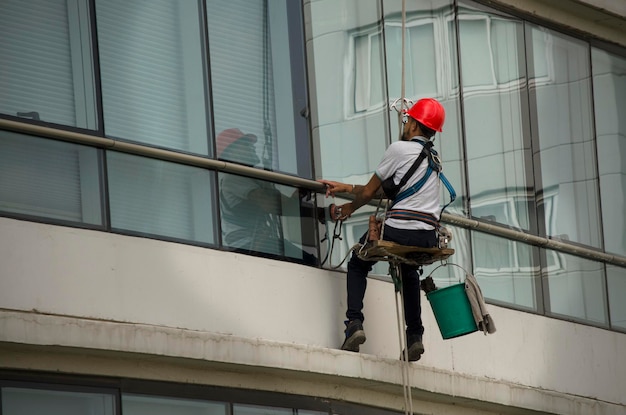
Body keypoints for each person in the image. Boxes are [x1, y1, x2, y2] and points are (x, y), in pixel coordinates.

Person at [318, 98, 446, 361]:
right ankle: (415, 336)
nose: (405, 124)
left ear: (412, 124)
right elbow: (387, 190)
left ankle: (354, 323)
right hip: (427, 236)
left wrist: (348, 209)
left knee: (358, 262)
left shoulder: (399, 149)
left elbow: (369, 192)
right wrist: (344, 187)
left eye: (407, 120)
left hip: (400, 230)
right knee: (408, 267)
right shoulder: (433, 158)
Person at [217, 128, 318, 265]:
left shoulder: (252, 178)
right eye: (245, 144)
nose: (252, 147)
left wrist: (297, 197)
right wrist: (320, 213)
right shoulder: (234, 178)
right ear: (232, 153)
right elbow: (274, 205)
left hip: (256, 243)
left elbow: (283, 205)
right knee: (311, 264)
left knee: (309, 262)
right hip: (247, 245)